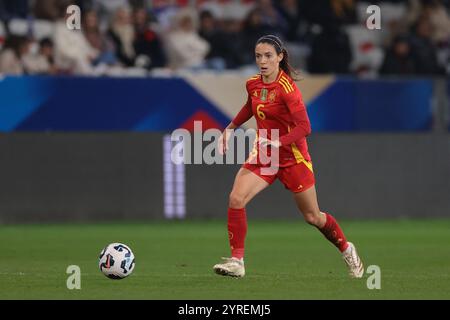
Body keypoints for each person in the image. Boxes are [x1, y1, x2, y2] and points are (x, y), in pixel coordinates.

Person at [212, 35, 364, 279]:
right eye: (258, 56)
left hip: (293, 158)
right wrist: (229, 128)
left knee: (313, 216)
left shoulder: (287, 89)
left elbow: (305, 127)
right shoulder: (253, 84)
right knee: (236, 198)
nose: (263, 61)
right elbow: (251, 106)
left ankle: (347, 248)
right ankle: (237, 261)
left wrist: (278, 141)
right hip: (265, 156)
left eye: (268, 56)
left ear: (280, 57)